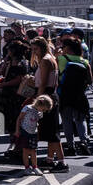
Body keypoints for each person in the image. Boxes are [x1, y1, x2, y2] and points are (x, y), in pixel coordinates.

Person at [29, 37, 66, 171]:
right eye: (33, 49)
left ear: (42, 47)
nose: (34, 52)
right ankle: (50, 159)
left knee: (52, 132)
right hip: (52, 95)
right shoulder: (51, 58)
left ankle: (62, 162)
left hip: (46, 96)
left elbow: (43, 83)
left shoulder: (45, 60)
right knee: (51, 131)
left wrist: (37, 101)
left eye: (36, 49)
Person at [58, 36, 93, 156]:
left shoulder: (62, 59)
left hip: (65, 93)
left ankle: (70, 146)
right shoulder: (84, 61)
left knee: (66, 120)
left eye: (64, 46)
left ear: (68, 48)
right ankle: (84, 142)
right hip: (80, 94)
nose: (62, 48)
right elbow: (90, 80)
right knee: (80, 119)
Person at [19, 96, 52, 175]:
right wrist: (17, 130)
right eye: (43, 109)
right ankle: (27, 167)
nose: (43, 111)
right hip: (25, 131)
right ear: (39, 103)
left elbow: (37, 123)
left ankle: (35, 167)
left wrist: (38, 134)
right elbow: (19, 119)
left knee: (34, 151)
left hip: (34, 132)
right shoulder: (27, 108)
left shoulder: (40, 112)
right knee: (26, 151)